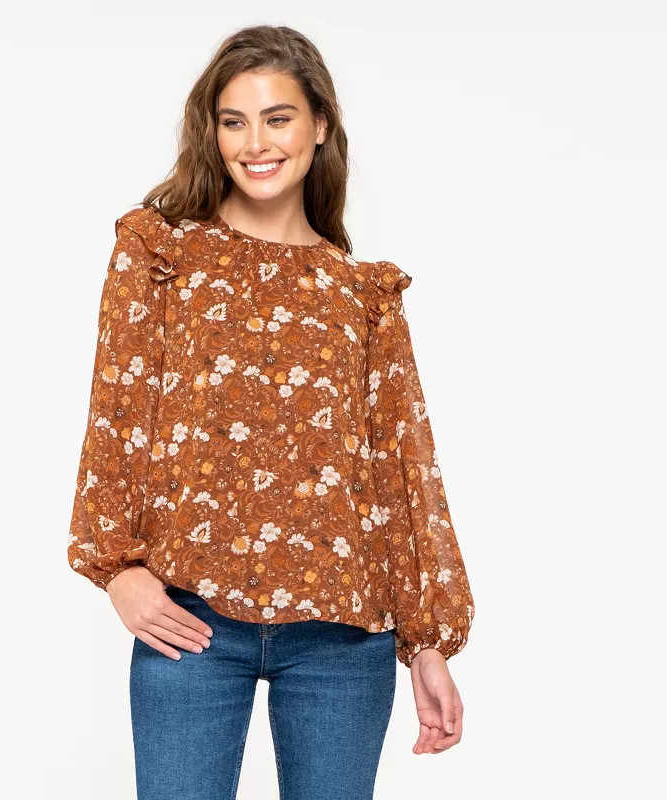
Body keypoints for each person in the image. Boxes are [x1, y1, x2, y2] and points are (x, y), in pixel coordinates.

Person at [67, 24, 475, 800]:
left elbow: (402, 466)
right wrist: (117, 570)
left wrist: (428, 640)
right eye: (235, 121)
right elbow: (117, 413)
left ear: (319, 125)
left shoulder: (362, 295)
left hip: (342, 640)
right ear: (213, 132)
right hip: (191, 621)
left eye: (277, 118)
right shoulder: (162, 257)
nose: (255, 143)